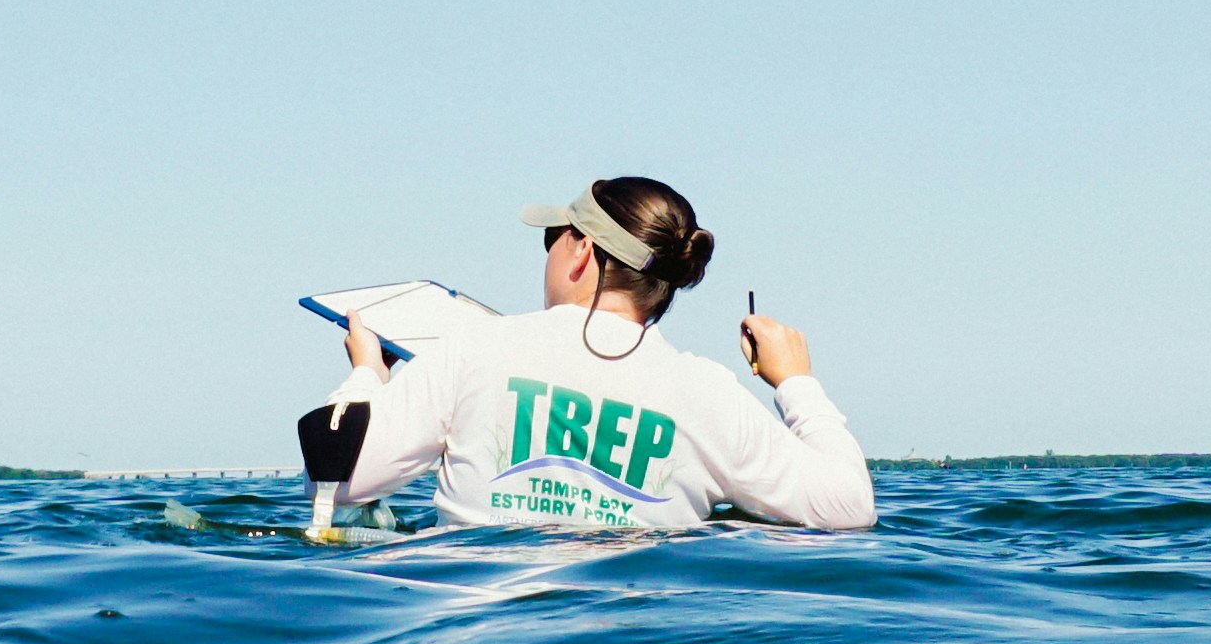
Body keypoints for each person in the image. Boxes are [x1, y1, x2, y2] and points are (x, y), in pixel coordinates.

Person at [321, 178, 874, 531]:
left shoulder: (474, 347)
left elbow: (336, 480)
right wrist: (797, 383)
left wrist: (368, 375)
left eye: (553, 238)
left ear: (583, 251)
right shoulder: (707, 393)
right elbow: (849, 508)